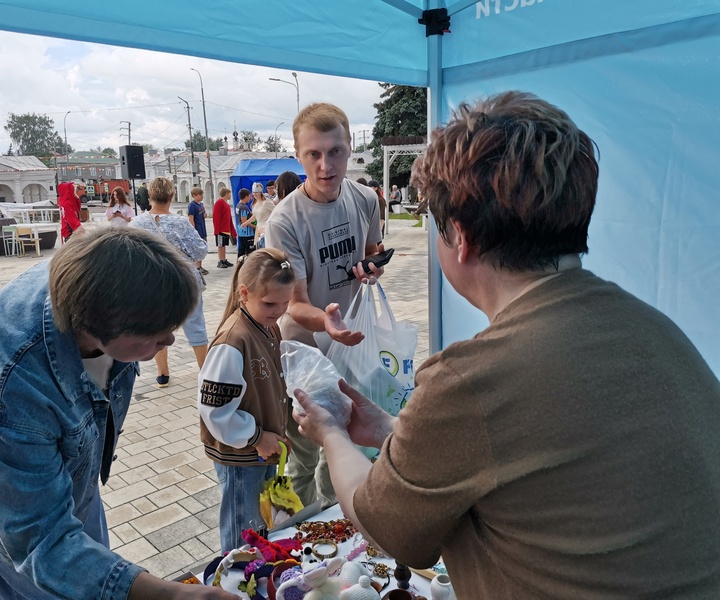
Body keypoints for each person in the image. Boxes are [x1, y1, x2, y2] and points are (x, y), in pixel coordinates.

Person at [292, 91, 720, 599]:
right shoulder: (656, 329)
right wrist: (392, 431)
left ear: (462, 238)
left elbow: (385, 526)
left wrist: (333, 433)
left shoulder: (468, 380)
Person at [0, 227, 236, 600]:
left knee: (96, 568)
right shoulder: (14, 388)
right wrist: (170, 594)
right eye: (158, 334)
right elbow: (43, 543)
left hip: (69, 461)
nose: (171, 341)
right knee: (59, 587)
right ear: (98, 324)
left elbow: (9, 303)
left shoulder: (89, 271)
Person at [265, 102, 384, 508]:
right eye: (313, 154)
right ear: (298, 156)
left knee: (347, 444)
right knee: (304, 454)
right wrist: (327, 323)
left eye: (335, 151)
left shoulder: (366, 199)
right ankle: (297, 540)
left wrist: (373, 267)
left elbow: (373, 250)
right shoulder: (285, 221)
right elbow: (293, 303)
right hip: (305, 354)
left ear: (351, 147)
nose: (325, 165)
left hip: (351, 346)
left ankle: (342, 530)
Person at [198, 248, 296, 551]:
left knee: (261, 522)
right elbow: (214, 410)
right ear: (244, 293)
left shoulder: (267, 326)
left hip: (263, 447)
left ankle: (257, 575)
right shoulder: (233, 341)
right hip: (241, 456)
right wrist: (254, 436)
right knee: (244, 533)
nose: (279, 310)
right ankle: (235, 585)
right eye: (270, 303)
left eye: (285, 303)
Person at [131, 177, 209, 386]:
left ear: (149, 196)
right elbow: (200, 250)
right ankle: (206, 372)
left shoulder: (136, 223)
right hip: (185, 282)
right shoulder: (180, 222)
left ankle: (163, 373)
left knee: (158, 327)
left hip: (153, 284)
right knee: (196, 325)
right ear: (172, 196)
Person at [212, 187, 236, 269]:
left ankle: (224, 259)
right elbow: (216, 217)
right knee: (220, 245)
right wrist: (217, 229)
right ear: (226, 194)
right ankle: (220, 260)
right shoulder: (219, 203)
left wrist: (232, 230)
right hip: (220, 229)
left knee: (224, 244)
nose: (230, 195)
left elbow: (229, 218)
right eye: (229, 194)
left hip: (226, 229)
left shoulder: (226, 204)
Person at [188, 187, 209, 275]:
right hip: (197, 230)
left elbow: (203, 215)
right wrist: (193, 230)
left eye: (202, 195)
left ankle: (200, 266)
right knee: (197, 249)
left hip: (203, 229)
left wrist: (205, 215)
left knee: (202, 249)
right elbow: (191, 218)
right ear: (194, 196)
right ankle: (196, 267)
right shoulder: (192, 205)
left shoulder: (201, 204)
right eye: (200, 195)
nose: (202, 196)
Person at [250, 181, 276, 248]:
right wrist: (246, 223)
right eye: (254, 192)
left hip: (266, 227)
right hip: (258, 227)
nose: (255, 194)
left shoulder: (267, 202)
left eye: (257, 192)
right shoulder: (254, 203)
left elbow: (276, 212)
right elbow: (255, 215)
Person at [236, 188, 256, 258]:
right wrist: (255, 227)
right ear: (247, 196)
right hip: (247, 233)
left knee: (241, 250)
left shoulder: (238, 205)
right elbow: (244, 221)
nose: (250, 198)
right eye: (250, 196)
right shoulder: (244, 207)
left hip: (240, 232)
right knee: (248, 251)